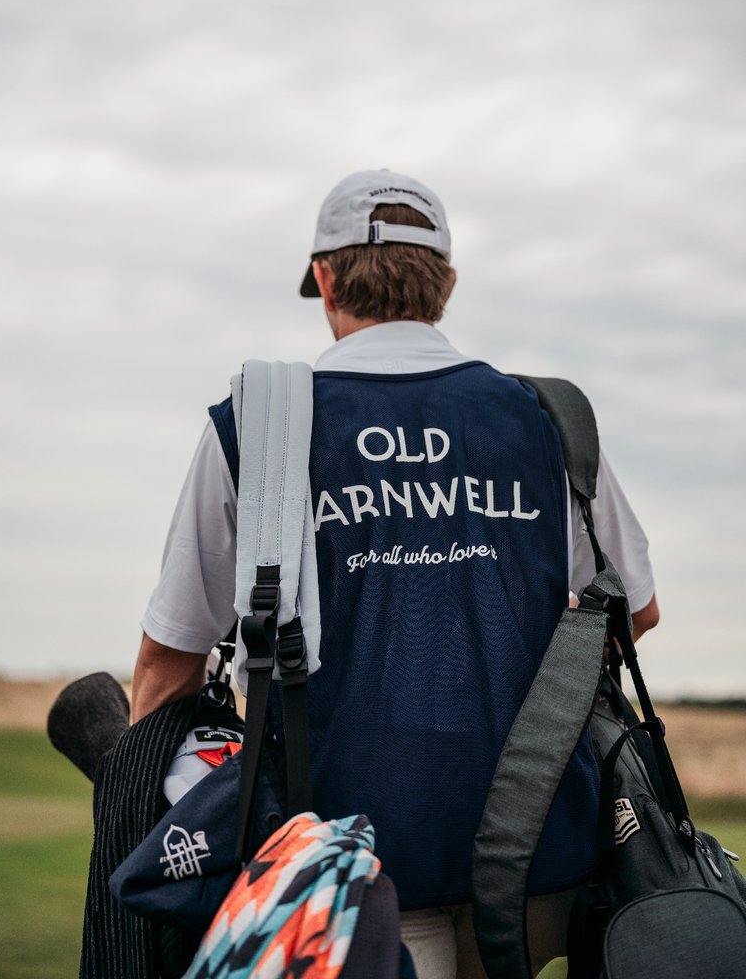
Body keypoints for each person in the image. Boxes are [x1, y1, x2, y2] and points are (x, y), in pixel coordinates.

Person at [131, 169, 659, 979]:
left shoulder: (254, 424)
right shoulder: (545, 417)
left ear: (326, 278)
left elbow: (170, 659)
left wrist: (143, 792)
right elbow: (636, 613)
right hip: (537, 856)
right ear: (445, 283)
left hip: (345, 869)